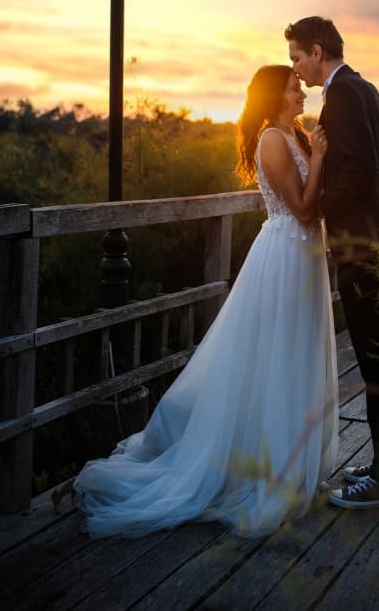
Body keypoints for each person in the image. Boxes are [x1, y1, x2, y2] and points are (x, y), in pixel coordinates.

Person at [74, 65, 338, 538]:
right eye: (294, 86)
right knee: (274, 357)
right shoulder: (273, 140)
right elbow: (301, 208)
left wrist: (321, 159)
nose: (302, 91)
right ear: (275, 94)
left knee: (297, 356)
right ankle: (262, 467)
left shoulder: (294, 133)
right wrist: (318, 158)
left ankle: (292, 461)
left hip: (306, 256)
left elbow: (316, 205)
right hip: (284, 256)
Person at [285, 16, 379, 509]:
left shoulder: (340, 97)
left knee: (378, 362)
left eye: (298, 57)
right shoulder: (369, 89)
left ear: (317, 52)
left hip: (360, 248)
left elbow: (361, 168)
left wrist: (321, 208)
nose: (297, 69)